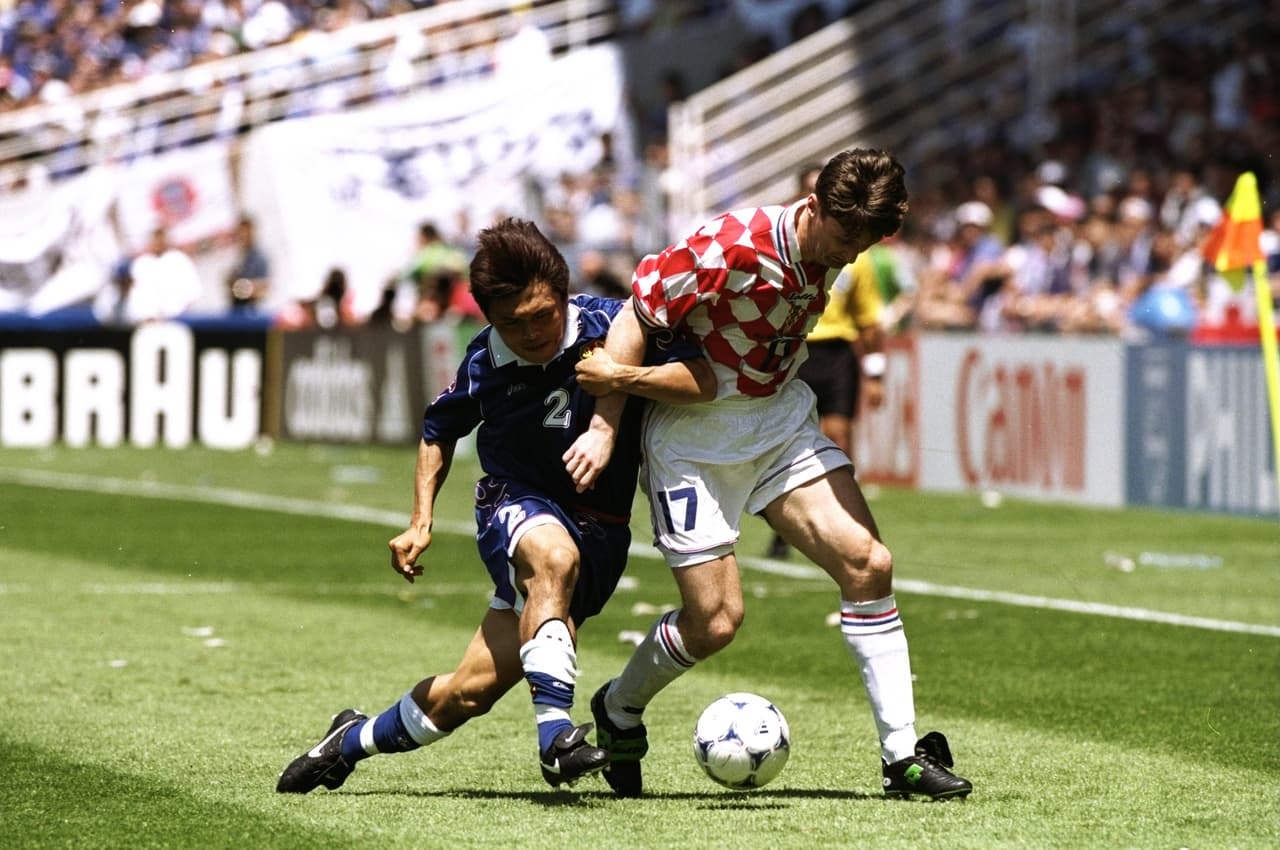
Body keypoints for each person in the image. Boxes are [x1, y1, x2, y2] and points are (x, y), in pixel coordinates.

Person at [565, 148, 973, 801]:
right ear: (812, 207)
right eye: (842, 241)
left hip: (778, 423)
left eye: (860, 246)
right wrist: (606, 425)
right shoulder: (728, 245)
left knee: (869, 563)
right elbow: (637, 315)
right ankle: (619, 706)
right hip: (695, 440)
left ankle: (902, 759)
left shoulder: (839, 247)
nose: (846, 258)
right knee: (716, 622)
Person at [276, 218, 715, 794]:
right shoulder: (484, 360)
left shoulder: (616, 325)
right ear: (487, 316)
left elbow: (702, 380)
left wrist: (623, 375)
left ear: (562, 294)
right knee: (553, 559)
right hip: (516, 503)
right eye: (514, 322)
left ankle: (349, 741)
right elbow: (438, 432)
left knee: (469, 692)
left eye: (543, 315)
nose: (532, 332)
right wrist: (420, 521)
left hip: (603, 528)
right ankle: (555, 740)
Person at [767, 164, 887, 560]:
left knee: (837, 437)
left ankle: (840, 524)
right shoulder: (782, 249)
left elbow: (869, 320)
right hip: (794, 349)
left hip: (836, 352)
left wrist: (875, 373)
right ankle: (787, 524)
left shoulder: (858, 259)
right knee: (785, 439)